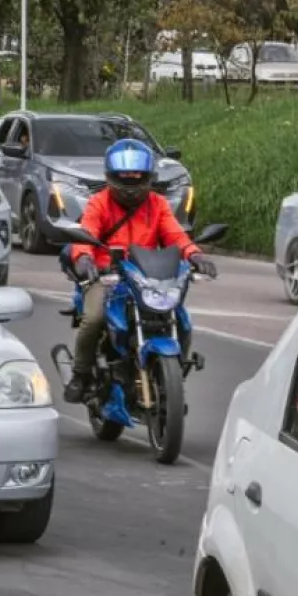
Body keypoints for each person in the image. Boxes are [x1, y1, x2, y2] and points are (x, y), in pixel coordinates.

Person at [63, 138, 217, 404]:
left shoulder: (157, 204)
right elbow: (85, 233)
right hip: (106, 275)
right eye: (124, 175)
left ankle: (173, 375)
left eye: (137, 175)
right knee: (94, 319)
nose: (131, 181)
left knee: (180, 317)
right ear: (111, 176)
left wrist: (195, 254)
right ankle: (80, 374)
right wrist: (85, 259)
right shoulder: (99, 203)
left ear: (148, 176)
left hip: (146, 278)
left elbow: (175, 235)